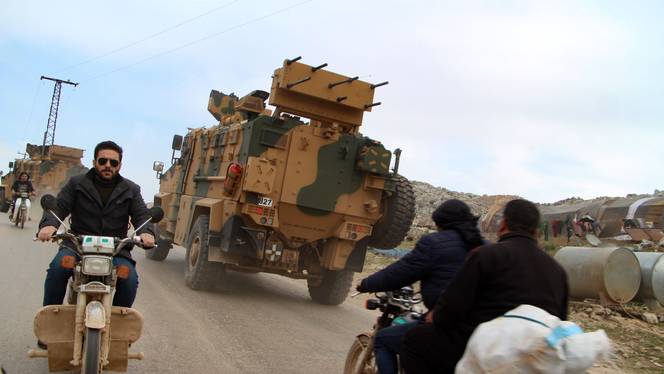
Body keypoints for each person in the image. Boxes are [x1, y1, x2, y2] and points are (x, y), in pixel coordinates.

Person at [401, 199, 569, 374]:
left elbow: (451, 308)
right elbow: (561, 323)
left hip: (485, 350)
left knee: (413, 340)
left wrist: (436, 316)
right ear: (536, 231)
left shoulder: (486, 255)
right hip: (535, 358)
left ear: (503, 224)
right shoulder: (558, 271)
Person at [355, 199, 485, 374]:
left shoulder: (434, 244)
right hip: (480, 331)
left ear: (440, 223)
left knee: (383, 339)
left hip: (446, 327)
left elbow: (398, 273)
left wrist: (365, 284)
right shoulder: (484, 247)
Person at [37, 140, 156, 310]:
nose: (108, 165)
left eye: (113, 162)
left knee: (129, 279)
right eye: (103, 161)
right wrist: (49, 225)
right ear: (94, 162)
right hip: (76, 244)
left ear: (119, 165)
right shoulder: (76, 183)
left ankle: (118, 328)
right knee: (58, 268)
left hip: (116, 248)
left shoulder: (131, 189)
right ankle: (48, 326)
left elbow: (141, 215)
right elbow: (59, 207)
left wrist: (147, 233)